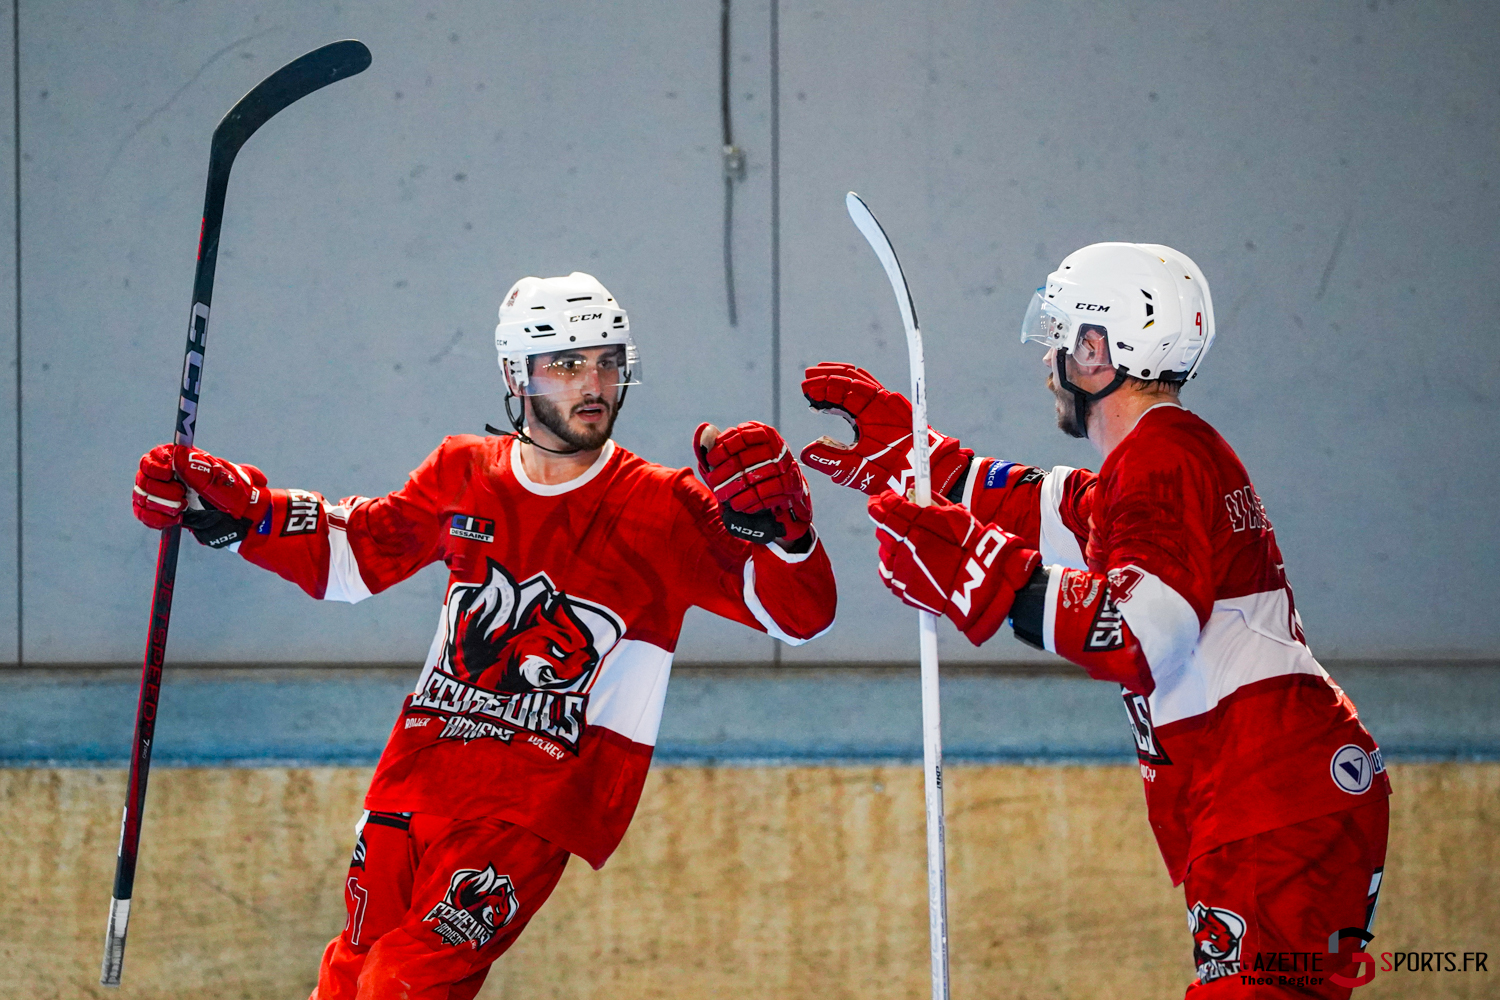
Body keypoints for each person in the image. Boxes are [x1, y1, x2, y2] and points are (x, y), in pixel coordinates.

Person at [131, 271, 837, 1000]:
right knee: (350, 973)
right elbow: (357, 553)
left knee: (403, 982)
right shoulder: (464, 471)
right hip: (416, 779)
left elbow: (800, 618)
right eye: (565, 364)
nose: (592, 382)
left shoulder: (665, 508)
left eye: (605, 361)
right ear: (514, 374)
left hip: (531, 800)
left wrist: (786, 537)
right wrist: (241, 514)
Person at [800, 244, 1388, 998]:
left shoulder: (1161, 460)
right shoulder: (1160, 459)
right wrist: (922, 463)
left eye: (1060, 336)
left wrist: (988, 578)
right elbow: (1052, 511)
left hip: (1270, 798)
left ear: (1097, 350)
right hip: (1285, 795)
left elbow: (1150, 635)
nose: (1047, 361)